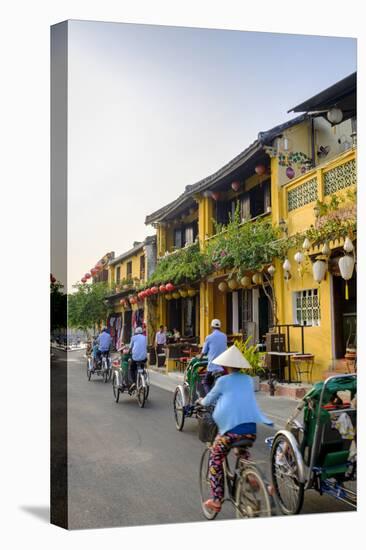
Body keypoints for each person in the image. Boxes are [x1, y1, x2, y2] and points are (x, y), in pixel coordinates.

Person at [198, 345, 273, 513]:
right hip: (250, 430)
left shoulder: (222, 381)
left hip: (230, 431)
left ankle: (216, 499)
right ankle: (261, 483)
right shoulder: (247, 380)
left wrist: (200, 401)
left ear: (225, 366)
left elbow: (208, 400)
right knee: (242, 453)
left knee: (216, 458)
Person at [199, 319, 227, 395]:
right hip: (223, 366)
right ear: (220, 327)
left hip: (213, 366)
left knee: (206, 383)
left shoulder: (209, 337)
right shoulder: (224, 336)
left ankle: (209, 400)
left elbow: (204, 352)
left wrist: (200, 358)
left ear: (211, 327)